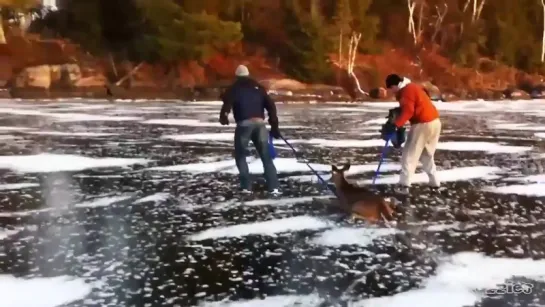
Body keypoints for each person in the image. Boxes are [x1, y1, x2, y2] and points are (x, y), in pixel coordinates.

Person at [219, 64, 282, 196]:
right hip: (260, 123)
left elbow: (227, 101)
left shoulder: (234, 88)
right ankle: (274, 187)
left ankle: (246, 187)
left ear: (237, 76)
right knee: (266, 156)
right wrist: (274, 125)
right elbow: (271, 105)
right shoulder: (258, 88)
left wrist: (224, 116)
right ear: (248, 75)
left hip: (244, 124)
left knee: (241, 155)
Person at [382, 74, 441, 195]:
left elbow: (409, 111)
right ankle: (434, 182)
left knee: (409, 155)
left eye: (391, 89)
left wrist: (395, 125)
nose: (391, 92)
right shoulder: (413, 87)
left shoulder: (406, 91)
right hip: (435, 122)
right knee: (426, 154)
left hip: (422, 124)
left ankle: (404, 186)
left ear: (394, 85)